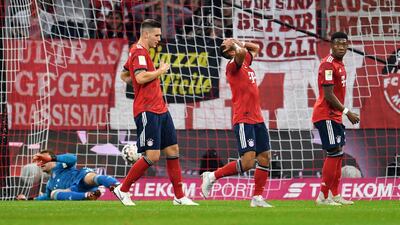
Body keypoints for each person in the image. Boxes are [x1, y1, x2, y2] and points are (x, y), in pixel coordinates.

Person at [116, 19, 198, 206]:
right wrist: (160, 71)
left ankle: (179, 196)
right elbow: (141, 76)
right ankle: (123, 189)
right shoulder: (138, 52)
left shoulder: (140, 53)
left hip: (160, 108)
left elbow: (125, 75)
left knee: (173, 150)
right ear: (146, 34)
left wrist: (137, 82)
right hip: (147, 110)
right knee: (153, 156)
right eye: (157, 35)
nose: (159, 39)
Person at [200, 38, 272, 208]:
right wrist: (235, 44)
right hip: (244, 118)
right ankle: (211, 176)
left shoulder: (245, 60)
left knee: (264, 158)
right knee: (247, 163)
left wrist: (240, 41)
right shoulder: (233, 65)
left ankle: (257, 198)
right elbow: (241, 52)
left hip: (257, 118)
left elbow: (256, 47)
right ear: (228, 52)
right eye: (229, 45)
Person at [312, 32, 360, 206]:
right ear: (331, 45)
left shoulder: (340, 64)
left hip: (335, 116)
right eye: (338, 44)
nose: (341, 47)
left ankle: (335, 194)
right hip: (326, 115)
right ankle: (323, 196)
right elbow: (329, 95)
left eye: (344, 44)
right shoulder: (328, 65)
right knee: (333, 153)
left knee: (338, 154)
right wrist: (348, 111)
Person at [17, 150, 120, 201]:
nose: (41, 163)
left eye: (43, 160)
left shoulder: (62, 164)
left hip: (80, 179)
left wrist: (53, 158)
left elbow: (73, 158)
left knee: (90, 177)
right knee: (53, 194)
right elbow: (46, 198)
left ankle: (117, 186)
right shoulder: (49, 184)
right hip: (75, 191)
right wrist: (27, 200)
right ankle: (88, 196)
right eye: (39, 161)